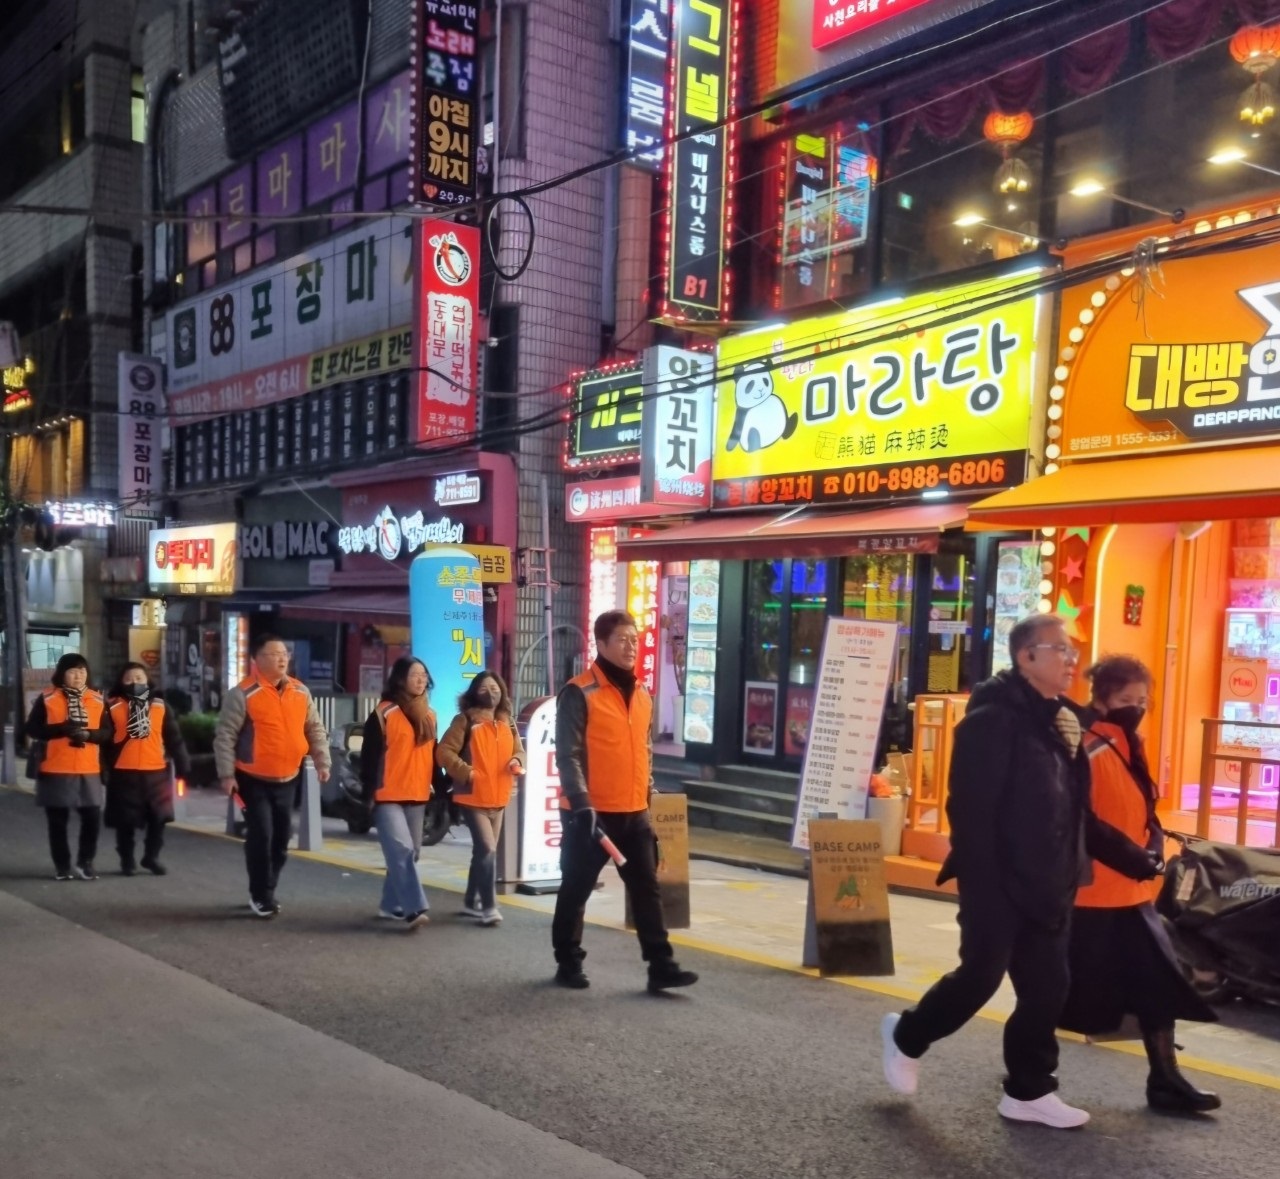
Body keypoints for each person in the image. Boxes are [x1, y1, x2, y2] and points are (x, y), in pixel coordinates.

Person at [881, 614, 1092, 1128]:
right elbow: (970, 810)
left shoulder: (1061, 721)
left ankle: (1029, 1090)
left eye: (1073, 652)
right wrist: (984, 883)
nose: (1071, 661)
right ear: (1027, 657)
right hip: (998, 880)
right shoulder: (994, 718)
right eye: (1060, 651)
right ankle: (906, 1035)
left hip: (1048, 881)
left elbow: (1072, 808)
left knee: (1047, 989)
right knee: (980, 978)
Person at [1058, 655, 1220, 1114]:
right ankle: (1026, 1071)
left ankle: (1165, 1079)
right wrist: (1131, 856)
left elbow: (1145, 806)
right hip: (1090, 892)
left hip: (1130, 893)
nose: (1137, 707)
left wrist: (1151, 845)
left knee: (1156, 982)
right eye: (1126, 699)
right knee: (1057, 989)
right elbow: (1080, 819)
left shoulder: (1131, 743)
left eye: (1143, 699)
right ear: (1102, 697)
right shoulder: (1080, 743)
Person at [551, 610, 698, 993]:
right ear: (601, 645)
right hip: (590, 814)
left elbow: (643, 748)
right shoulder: (579, 691)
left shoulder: (643, 693)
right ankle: (568, 960)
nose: (631, 646)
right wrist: (581, 803)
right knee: (577, 888)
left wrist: (647, 791)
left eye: (634, 639)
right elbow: (567, 753)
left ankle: (661, 965)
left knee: (647, 889)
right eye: (622, 639)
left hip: (634, 812)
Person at [213, 635, 330, 918]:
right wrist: (227, 774)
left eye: (285, 654)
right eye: (274, 653)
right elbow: (225, 736)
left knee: (281, 838)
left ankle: (267, 887)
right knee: (261, 834)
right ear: (257, 659)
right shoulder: (242, 693)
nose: (281, 658)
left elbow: (314, 728)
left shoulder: (300, 692)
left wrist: (322, 760)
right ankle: (261, 895)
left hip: (288, 777)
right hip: (252, 777)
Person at [437, 670, 525, 927]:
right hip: (472, 796)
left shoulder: (508, 722)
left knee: (483, 853)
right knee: (487, 849)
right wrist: (466, 772)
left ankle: (469, 902)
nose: (492, 692)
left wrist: (517, 761)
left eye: (495, 687)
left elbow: (519, 750)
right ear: (475, 692)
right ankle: (488, 906)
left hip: (499, 797)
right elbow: (444, 751)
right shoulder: (464, 721)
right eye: (485, 688)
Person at [359, 657, 436, 931]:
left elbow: (432, 757)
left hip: (417, 793)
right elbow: (369, 757)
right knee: (401, 850)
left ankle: (390, 905)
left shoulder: (430, 715)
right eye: (415, 674)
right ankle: (414, 907)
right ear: (400, 679)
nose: (421, 679)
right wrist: (369, 793)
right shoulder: (384, 713)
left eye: (424, 675)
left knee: (412, 852)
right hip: (387, 793)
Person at [25, 653, 114, 881]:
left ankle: (85, 862)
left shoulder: (97, 699)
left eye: (82, 671)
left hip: (89, 768)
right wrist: (61, 729)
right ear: (62, 674)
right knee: (57, 821)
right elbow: (32, 729)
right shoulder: (47, 699)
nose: (78, 675)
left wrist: (88, 734)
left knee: (92, 818)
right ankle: (62, 866)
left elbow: (107, 732)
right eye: (73, 671)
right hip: (55, 768)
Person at [103, 663, 192, 876]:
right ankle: (127, 860)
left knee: (158, 818)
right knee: (125, 821)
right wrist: (102, 769)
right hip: (124, 772)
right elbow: (103, 743)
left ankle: (151, 857)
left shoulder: (160, 706)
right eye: (129, 678)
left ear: (148, 681)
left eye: (140, 677)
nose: (135, 682)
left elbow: (174, 738)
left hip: (155, 771)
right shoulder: (112, 706)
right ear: (120, 682)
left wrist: (183, 765)